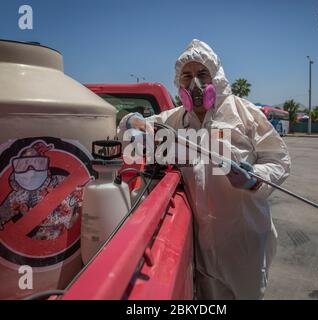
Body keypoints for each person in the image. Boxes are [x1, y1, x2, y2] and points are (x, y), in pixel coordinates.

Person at [117, 39, 291, 299]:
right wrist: (131, 123)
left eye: (202, 74)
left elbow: (279, 160)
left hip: (243, 245)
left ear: (216, 77)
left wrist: (255, 178)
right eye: (187, 76)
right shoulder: (173, 122)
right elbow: (127, 130)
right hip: (200, 248)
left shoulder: (245, 114)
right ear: (179, 82)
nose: (194, 83)